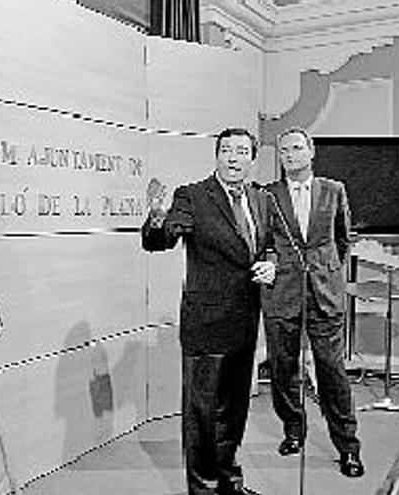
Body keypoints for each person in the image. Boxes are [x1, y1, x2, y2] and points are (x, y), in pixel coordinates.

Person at [143, 128, 275, 495]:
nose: (234, 158)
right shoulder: (193, 196)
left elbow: (269, 245)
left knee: (234, 413)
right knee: (202, 416)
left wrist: (272, 264)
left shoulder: (260, 199)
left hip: (245, 321)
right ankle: (203, 489)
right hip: (206, 323)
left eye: (242, 151)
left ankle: (230, 483)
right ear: (217, 155)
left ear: (253, 158)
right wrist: (157, 217)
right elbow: (163, 238)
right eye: (227, 151)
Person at [261, 127, 363, 477]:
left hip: (325, 294)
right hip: (282, 294)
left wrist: (327, 272)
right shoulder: (268, 195)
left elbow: (343, 239)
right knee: (282, 368)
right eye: (283, 150)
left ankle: (348, 447)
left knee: (332, 372)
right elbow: (264, 243)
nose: (289, 154)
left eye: (296, 148)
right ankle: (293, 430)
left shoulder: (334, 190)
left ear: (311, 150)